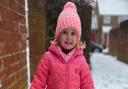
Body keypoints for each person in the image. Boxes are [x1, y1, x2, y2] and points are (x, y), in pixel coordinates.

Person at [30, 1, 94, 89]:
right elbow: (38, 82)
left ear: (78, 37)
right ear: (58, 35)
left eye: (73, 33)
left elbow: (88, 85)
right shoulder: (48, 58)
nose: (68, 37)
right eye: (64, 32)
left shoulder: (81, 61)